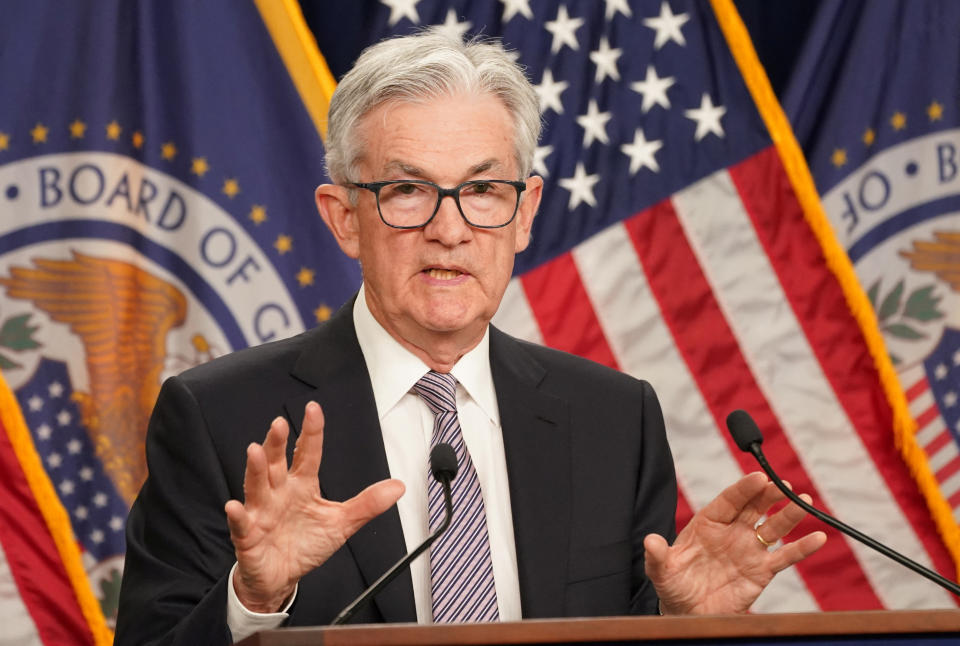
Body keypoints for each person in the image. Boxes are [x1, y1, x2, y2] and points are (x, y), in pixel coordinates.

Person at [115, 29, 826, 646]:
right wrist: (254, 602)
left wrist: (680, 620)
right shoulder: (219, 419)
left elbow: (628, 626)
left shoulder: (614, 418)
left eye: (483, 192)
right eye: (407, 191)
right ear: (342, 217)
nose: (449, 230)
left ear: (525, 213)